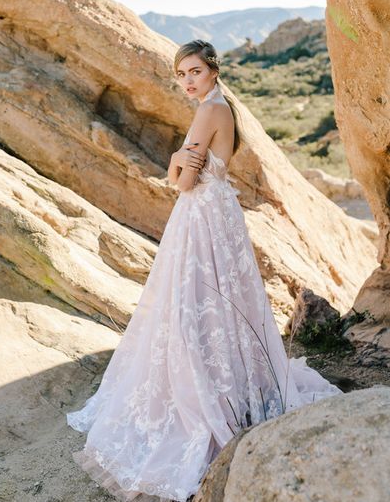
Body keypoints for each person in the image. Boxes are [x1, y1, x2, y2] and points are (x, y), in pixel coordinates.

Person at [66, 40, 343, 501]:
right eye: (181, 74)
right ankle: (226, 381)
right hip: (218, 213)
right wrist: (181, 162)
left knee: (195, 302)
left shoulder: (209, 111)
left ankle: (204, 392)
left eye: (195, 71)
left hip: (202, 214)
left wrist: (174, 162)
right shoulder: (222, 108)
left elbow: (184, 182)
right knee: (218, 304)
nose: (188, 80)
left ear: (213, 71)